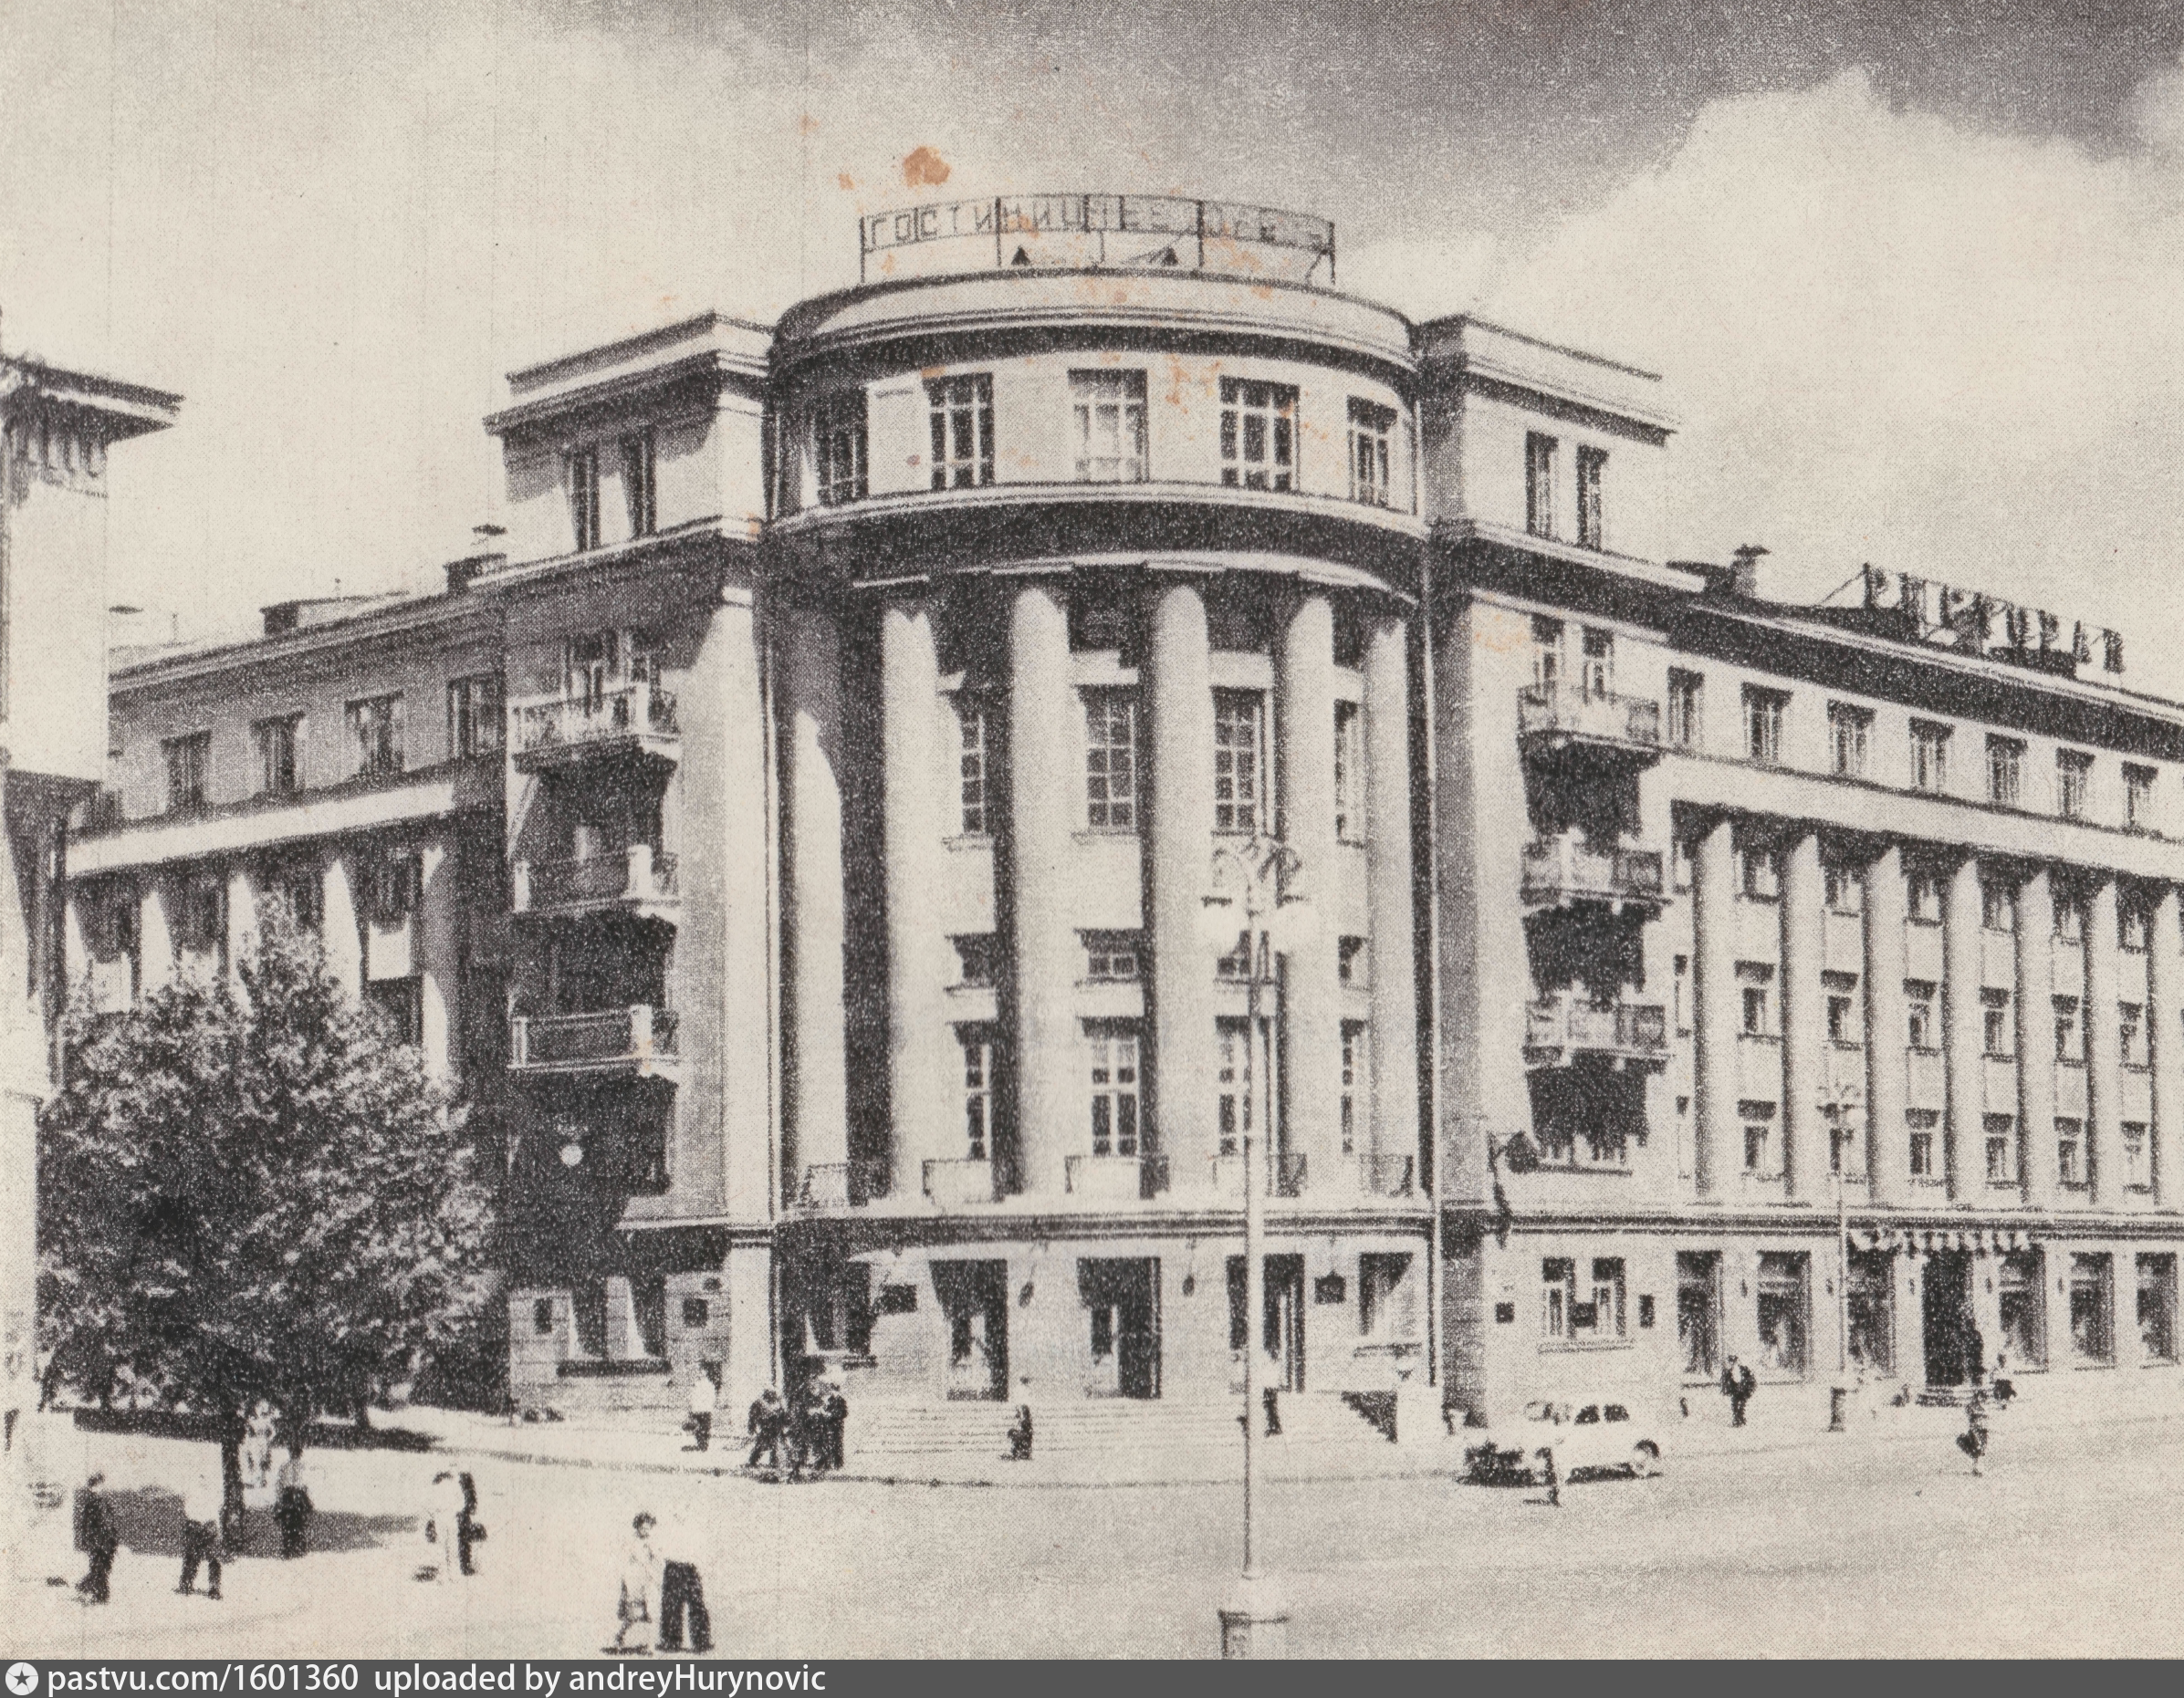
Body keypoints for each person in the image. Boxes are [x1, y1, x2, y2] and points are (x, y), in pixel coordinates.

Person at [652, 1509, 713, 1654]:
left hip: (690, 1567)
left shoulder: (695, 1523)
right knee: (671, 1605)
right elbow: (658, 1547)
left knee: (697, 1605)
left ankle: (701, 1641)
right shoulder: (665, 1523)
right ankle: (671, 1641)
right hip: (673, 1566)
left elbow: (701, 1546)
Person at [609, 1514, 660, 1654]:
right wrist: (627, 1584)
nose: (646, 1531)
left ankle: (650, 1646)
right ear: (637, 1527)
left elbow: (656, 1560)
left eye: (648, 1528)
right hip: (634, 1582)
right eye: (643, 1528)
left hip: (648, 1582)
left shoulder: (651, 1542)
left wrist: (656, 1576)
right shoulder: (631, 1543)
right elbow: (625, 1564)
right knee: (632, 1616)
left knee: (652, 1613)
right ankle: (619, 1637)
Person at [176, 1470, 224, 1599]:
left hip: (204, 1525)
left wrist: (214, 1527)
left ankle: (207, 1586)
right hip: (199, 1524)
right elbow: (188, 1507)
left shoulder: (210, 1491)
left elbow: (215, 1509)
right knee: (195, 1557)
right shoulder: (196, 1489)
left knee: (206, 1558)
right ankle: (188, 1584)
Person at [74, 1472, 120, 1605]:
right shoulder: (94, 1504)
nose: (101, 1488)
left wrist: (111, 1539)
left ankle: (90, 1589)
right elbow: (89, 1526)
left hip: (105, 1543)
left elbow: (109, 1524)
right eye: (97, 1485)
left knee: (100, 1569)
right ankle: (98, 1593)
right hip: (100, 1544)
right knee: (99, 1570)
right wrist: (94, 1541)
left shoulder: (102, 1503)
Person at [424, 1469, 468, 1583]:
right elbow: (430, 1504)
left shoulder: (454, 1486)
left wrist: (452, 1511)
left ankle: (452, 1574)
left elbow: (461, 1503)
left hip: (449, 1518)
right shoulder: (438, 1486)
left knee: (451, 1547)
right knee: (443, 1547)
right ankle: (444, 1574)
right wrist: (436, 1514)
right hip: (441, 1518)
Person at [274, 1445, 315, 1559]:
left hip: (288, 1496)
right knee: (299, 1523)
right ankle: (298, 1548)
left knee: (288, 1523)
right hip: (298, 1497)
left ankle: (288, 1547)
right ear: (300, 1454)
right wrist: (308, 1500)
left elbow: (279, 1484)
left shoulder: (284, 1466)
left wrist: (279, 1499)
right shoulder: (304, 1467)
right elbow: (307, 1485)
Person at [746, 1387, 787, 1477]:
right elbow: (752, 1417)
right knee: (762, 1445)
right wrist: (752, 1428)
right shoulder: (759, 1403)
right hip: (765, 1428)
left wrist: (782, 1427)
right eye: (769, 1394)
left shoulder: (778, 1403)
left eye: (773, 1394)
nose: (771, 1396)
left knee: (774, 1446)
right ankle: (754, 1461)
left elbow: (783, 1417)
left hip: (774, 1429)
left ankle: (774, 1462)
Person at [243, 1401, 279, 1491]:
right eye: (258, 1408)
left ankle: (262, 1480)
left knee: (262, 1461)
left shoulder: (266, 1421)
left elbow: (273, 1432)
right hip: (255, 1442)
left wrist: (268, 1439)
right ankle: (254, 1480)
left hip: (263, 1442)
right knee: (254, 1460)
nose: (259, 1410)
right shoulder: (252, 1420)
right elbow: (247, 1429)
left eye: (261, 1408)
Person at [456, 1471, 486, 1576]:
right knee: (464, 1540)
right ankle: (465, 1567)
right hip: (462, 1516)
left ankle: (465, 1566)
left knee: (464, 1539)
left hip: (463, 1516)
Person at [685, 1365, 718, 1453]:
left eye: (701, 1374)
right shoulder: (701, 1384)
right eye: (700, 1373)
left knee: (701, 1428)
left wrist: (692, 1407)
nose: (700, 1375)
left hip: (701, 1409)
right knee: (703, 1428)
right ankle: (703, 1444)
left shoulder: (706, 1385)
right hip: (702, 1409)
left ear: (705, 1375)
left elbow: (693, 1397)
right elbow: (693, 1397)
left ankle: (702, 1444)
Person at [1958, 1391, 1991, 1476]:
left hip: (1981, 1430)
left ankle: (1975, 1468)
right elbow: (1971, 1419)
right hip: (1976, 1430)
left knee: (1979, 1450)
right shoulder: (1972, 1407)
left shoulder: (1980, 1407)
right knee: (1976, 1450)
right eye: (1981, 1397)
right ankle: (1974, 1469)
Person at [820, 1380, 849, 1471]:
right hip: (829, 1425)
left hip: (837, 1426)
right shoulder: (829, 1400)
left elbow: (844, 1413)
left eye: (835, 1390)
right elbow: (825, 1410)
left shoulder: (841, 1400)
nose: (833, 1392)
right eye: (832, 1390)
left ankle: (838, 1464)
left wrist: (833, 1415)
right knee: (828, 1444)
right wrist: (825, 1414)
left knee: (837, 1445)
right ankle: (829, 1464)